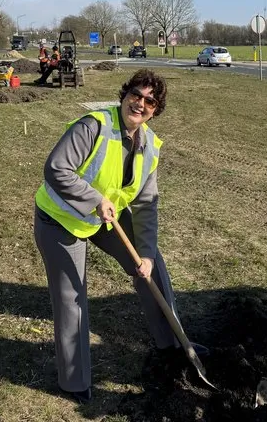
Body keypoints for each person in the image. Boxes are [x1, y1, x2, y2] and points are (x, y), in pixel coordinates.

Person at [33, 68, 207, 404]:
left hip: (105, 218)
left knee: (151, 267)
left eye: (149, 101)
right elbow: (56, 168)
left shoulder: (150, 147)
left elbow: (146, 206)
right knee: (73, 298)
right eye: (136, 95)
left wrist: (147, 254)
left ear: (156, 110)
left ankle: (174, 344)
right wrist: (94, 200)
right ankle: (74, 380)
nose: (140, 104)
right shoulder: (94, 125)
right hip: (60, 220)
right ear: (125, 94)